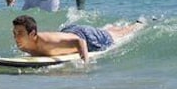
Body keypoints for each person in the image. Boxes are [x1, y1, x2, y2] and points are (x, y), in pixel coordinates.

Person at [12, 14, 143, 63]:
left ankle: (138, 24)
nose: (16, 37)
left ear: (32, 34)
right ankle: (113, 27)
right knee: (108, 31)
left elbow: (79, 41)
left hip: (85, 36)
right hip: (68, 33)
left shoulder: (47, 42)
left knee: (116, 36)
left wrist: (85, 64)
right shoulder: (24, 45)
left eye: (20, 33)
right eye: (14, 33)